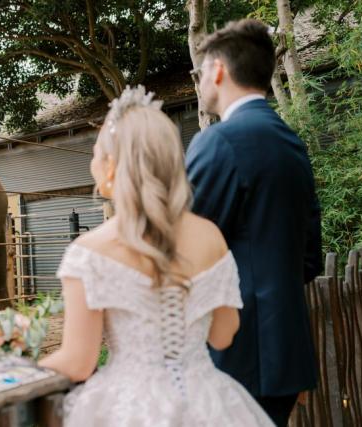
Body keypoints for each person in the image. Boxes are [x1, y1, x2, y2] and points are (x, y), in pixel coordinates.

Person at [38, 85, 273, 426]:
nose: (92, 162)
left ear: (111, 167)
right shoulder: (211, 236)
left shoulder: (88, 252)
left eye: (95, 153)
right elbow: (223, 335)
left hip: (126, 408)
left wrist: (15, 372)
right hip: (208, 402)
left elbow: (78, 362)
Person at [185, 19, 323, 426]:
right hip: (285, 355)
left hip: (231, 357)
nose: (199, 81)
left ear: (219, 70)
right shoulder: (291, 144)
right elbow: (309, 259)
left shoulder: (219, 141)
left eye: (200, 71)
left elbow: (183, 251)